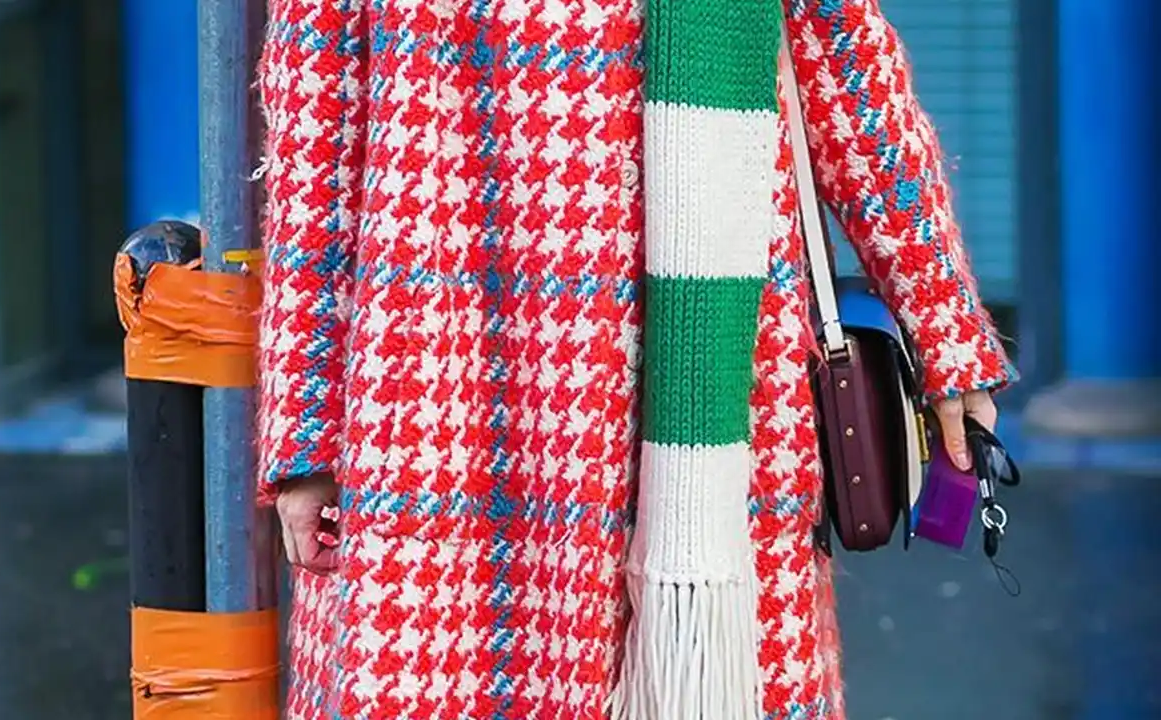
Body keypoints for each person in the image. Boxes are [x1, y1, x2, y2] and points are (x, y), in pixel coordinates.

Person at [256, 0, 1017, 718]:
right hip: (433, 392)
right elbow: (313, 152)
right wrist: (306, 433)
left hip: (704, 394)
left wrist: (944, 328)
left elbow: (851, 75)